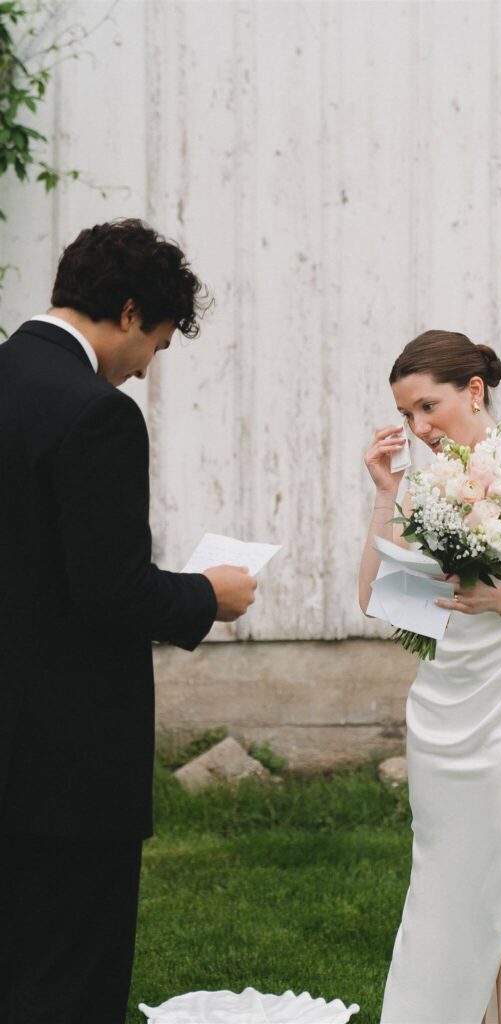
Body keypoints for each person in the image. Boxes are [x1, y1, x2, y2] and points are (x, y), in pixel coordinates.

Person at [0, 219, 257, 1024]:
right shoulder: (93, 414)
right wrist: (207, 595)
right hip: (65, 755)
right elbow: (109, 591)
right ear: (130, 311)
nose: (146, 369)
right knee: (67, 974)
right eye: (158, 344)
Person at [359, 329, 501, 1024]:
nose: (417, 428)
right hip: (441, 708)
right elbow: (379, 600)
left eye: (426, 408)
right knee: (446, 887)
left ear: (473, 390)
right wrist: (386, 491)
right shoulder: (421, 484)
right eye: (405, 416)